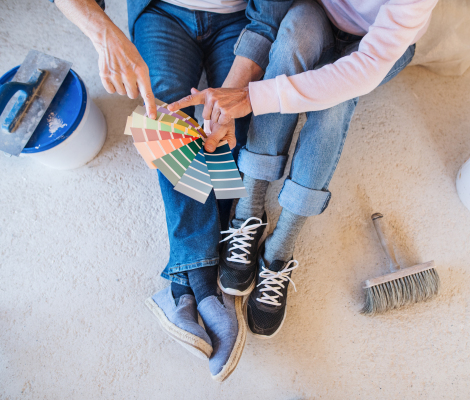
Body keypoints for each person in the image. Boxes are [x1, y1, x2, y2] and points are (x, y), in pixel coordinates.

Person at [169, 0, 438, 338]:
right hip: (318, 10)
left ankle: (281, 247)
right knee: (290, 46)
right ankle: (248, 209)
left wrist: (253, 98)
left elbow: (366, 67)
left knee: (334, 107)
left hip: (377, 44)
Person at [53, 0, 291, 381]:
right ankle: (205, 282)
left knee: (236, 129)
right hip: (161, 9)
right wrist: (103, 33)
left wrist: (229, 97)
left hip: (243, 15)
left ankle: (184, 288)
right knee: (167, 117)